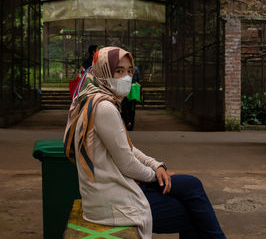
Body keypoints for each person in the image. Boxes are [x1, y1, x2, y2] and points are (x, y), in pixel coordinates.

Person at [64, 47, 226, 239]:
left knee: (192, 185)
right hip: (112, 202)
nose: (126, 77)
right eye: (119, 71)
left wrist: (156, 166)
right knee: (191, 212)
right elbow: (127, 163)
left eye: (130, 71)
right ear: (103, 72)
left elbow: (128, 148)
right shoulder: (104, 108)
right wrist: (155, 176)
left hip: (118, 186)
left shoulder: (94, 99)